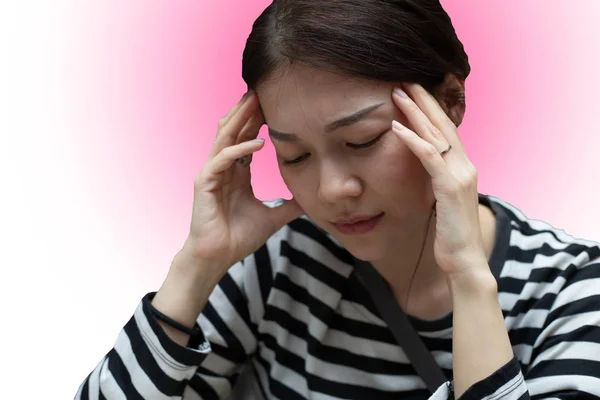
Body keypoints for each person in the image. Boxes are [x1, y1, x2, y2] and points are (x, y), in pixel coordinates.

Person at [75, 0, 600, 399]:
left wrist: (467, 275)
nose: (331, 191)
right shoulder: (278, 263)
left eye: (362, 141)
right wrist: (196, 265)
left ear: (450, 101)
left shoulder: (573, 287)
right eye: (295, 156)